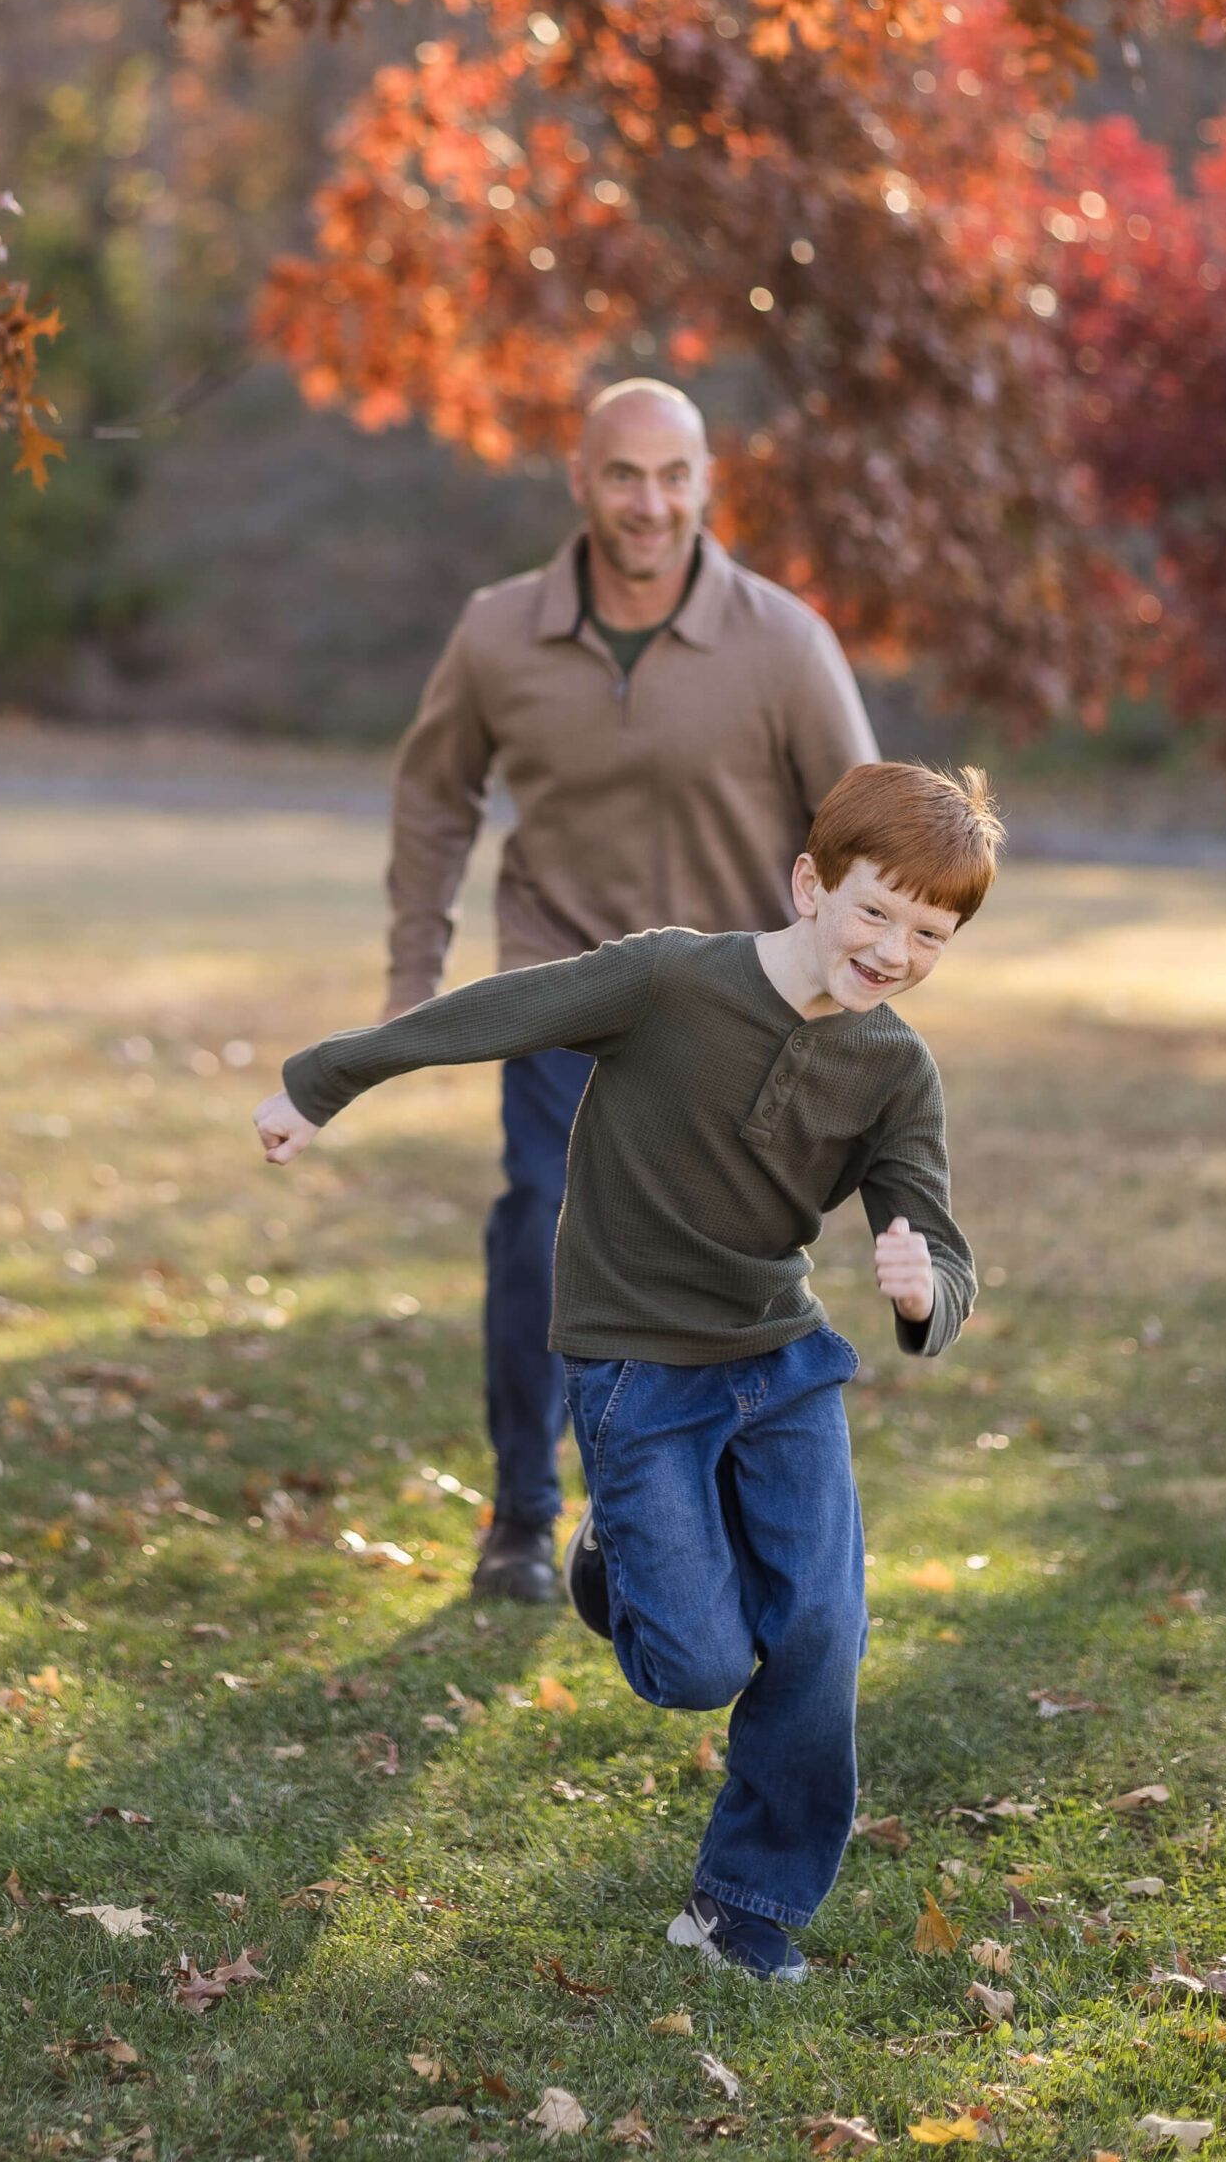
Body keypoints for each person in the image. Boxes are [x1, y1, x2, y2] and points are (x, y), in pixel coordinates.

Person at [255, 760, 1000, 1981]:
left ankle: (737, 1907)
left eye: (930, 933)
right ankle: (611, 1561)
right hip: (636, 1369)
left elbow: (937, 1238)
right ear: (809, 883)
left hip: (777, 1362)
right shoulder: (668, 978)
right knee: (696, 1666)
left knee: (821, 1625)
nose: (894, 948)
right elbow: (494, 1010)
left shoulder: (893, 1070)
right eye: (875, 910)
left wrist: (926, 1293)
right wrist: (324, 1080)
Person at [384, 377, 877, 1603]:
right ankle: (521, 1512)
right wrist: (412, 971)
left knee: (707, 1278)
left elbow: (863, 818)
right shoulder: (500, 632)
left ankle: (644, 1505)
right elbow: (432, 790)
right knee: (539, 1233)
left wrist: (849, 973)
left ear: (705, 483)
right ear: (579, 481)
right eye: (623, 474)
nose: (648, 503)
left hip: (733, 1009)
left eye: (673, 476)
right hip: (561, 990)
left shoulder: (779, 639)